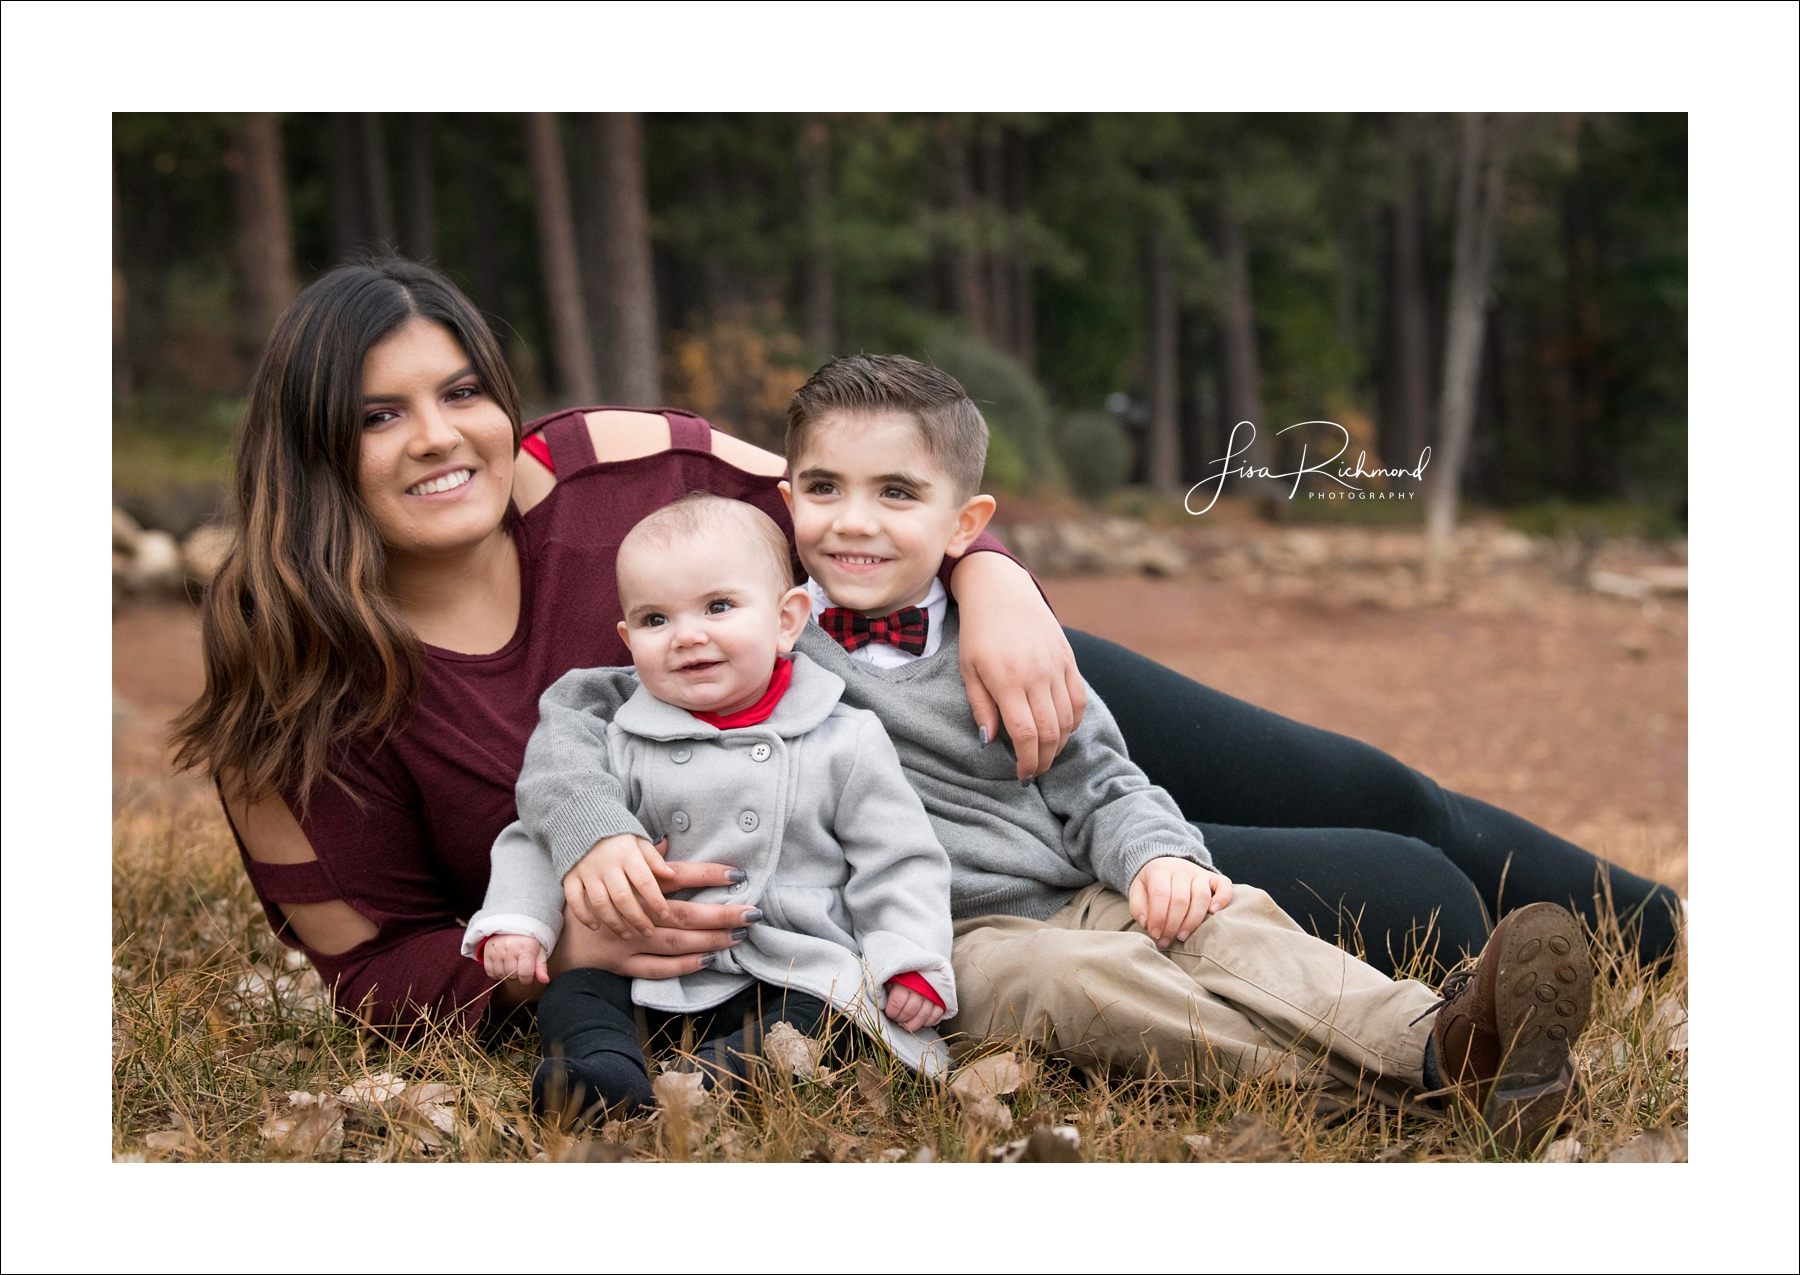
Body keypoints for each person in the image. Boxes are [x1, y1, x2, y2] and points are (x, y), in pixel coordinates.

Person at [516, 355, 1596, 1143]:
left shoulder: (1002, 648)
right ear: (786, 495)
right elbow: (578, 711)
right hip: (946, 944)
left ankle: (1441, 1036)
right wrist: (593, 828)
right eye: (825, 488)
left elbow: (1104, 781)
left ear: (963, 520)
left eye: (897, 493)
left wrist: (1159, 860)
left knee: (1229, 922)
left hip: (1072, 880)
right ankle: (1428, 1088)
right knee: (1090, 986)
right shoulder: (758, 637)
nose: (854, 521)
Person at [171, 259, 1076, 1033]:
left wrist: (991, 574)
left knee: (1187, 808)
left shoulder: (616, 469)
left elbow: (859, 501)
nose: (439, 436)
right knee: (1192, 872)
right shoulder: (293, 686)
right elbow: (368, 970)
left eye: (461, 391)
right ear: (308, 451)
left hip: (979, 691)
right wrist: (559, 953)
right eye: (378, 416)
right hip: (912, 879)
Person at [466, 494, 957, 1115]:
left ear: (787, 620)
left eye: (718, 607)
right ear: (627, 638)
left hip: (788, 961)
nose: (687, 636)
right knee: (580, 992)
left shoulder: (844, 737)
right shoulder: (624, 738)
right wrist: (518, 919)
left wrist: (909, 959)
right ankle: (599, 1069)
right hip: (651, 967)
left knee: (831, 1013)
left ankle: (715, 1080)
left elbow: (900, 860)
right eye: (654, 621)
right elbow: (543, 837)